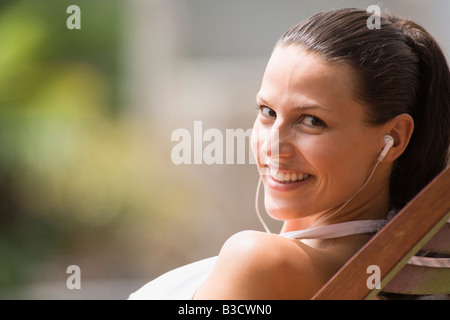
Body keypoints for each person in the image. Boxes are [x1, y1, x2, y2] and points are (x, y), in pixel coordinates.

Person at [129, 8, 450, 300]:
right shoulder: (390, 270)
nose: (272, 146)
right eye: (267, 111)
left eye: (312, 121)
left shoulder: (261, 264)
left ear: (392, 139)